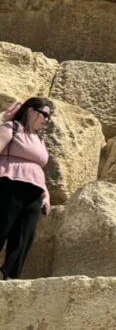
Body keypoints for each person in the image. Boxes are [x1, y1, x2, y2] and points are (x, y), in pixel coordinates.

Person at [0, 97, 53, 280]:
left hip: (34, 191)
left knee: (25, 235)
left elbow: (38, 168)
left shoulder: (40, 139)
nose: (46, 119)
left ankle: (10, 276)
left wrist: (46, 195)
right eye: (44, 114)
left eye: (48, 117)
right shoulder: (12, 128)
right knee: (2, 227)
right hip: (9, 184)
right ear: (30, 110)